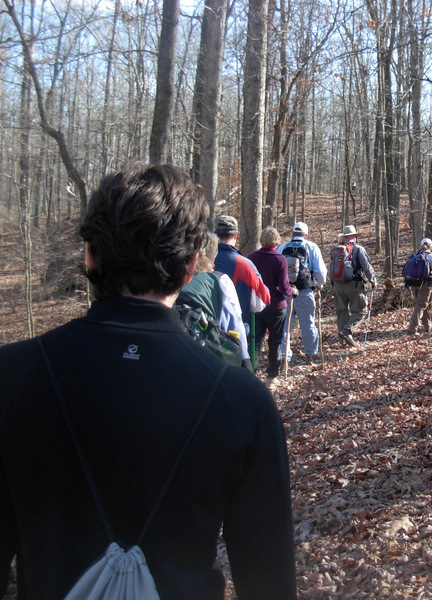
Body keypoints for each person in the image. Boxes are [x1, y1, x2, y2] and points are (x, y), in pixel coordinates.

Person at [0, 162, 296, 599]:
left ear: (89, 256)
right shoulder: (241, 399)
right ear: (192, 266)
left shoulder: (12, 375)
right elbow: (268, 580)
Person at [177, 233, 251, 369]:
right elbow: (235, 324)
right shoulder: (219, 280)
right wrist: (246, 362)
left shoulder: (173, 280)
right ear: (212, 257)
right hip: (212, 359)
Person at [213, 215, 270, 358]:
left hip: (201, 330)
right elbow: (264, 296)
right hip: (235, 333)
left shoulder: (200, 259)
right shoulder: (243, 264)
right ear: (236, 235)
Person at [247, 227, 295, 378]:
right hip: (276, 306)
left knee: (255, 341)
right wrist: (293, 292)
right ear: (277, 241)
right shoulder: (280, 259)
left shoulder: (251, 258)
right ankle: (273, 374)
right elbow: (283, 286)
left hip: (256, 305)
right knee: (275, 340)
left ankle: (251, 372)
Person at [276, 222, 327, 361]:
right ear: (306, 235)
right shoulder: (311, 247)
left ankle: (284, 356)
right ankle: (311, 353)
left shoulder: (283, 247)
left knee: (285, 325)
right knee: (308, 323)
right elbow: (320, 271)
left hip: (286, 291)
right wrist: (319, 284)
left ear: (292, 234)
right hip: (304, 291)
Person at [331, 225, 377, 346]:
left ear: (344, 237)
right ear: (353, 237)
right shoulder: (358, 249)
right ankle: (346, 331)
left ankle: (342, 341)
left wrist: (333, 284)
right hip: (354, 285)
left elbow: (330, 269)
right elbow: (367, 266)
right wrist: (373, 281)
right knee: (361, 311)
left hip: (337, 285)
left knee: (341, 312)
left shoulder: (336, 250)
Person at [405, 237, 432, 335]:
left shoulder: (415, 255)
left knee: (422, 305)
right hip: (425, 284)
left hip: (413, 283)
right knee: (421, 305)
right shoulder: (431, 256)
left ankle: (428, 326)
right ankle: (412, 329)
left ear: (421, 245)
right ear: (431, 246)